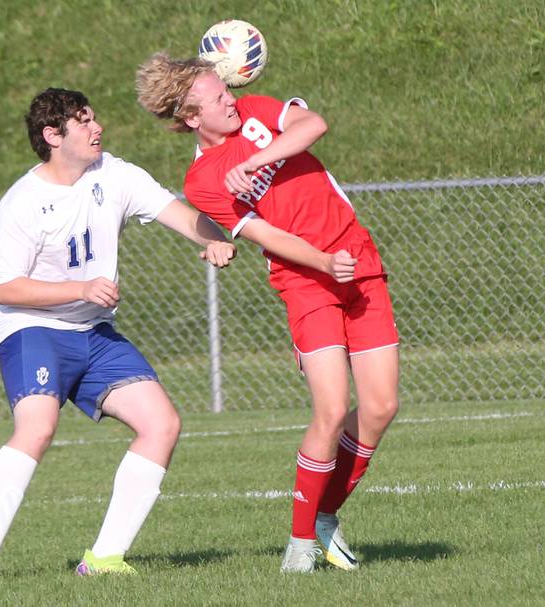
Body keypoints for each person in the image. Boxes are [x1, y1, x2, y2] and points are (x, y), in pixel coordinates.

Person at [0, 87, 236, 583]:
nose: (96, 128)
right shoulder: (22, 202)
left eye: (93, 118)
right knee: (37, 427)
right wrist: (79, 287)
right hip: (31, 329)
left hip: (93, 331)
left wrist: (214, 240)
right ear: (52, 135)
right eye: (83, 122)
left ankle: (104, 559)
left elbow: (180, 214)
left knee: (161, 424)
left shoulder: (116, 174)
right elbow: (6, 289)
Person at [136, 54, 400, 573]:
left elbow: (313, 124)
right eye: (217, 99)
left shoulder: (255, 112)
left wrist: (256, 160)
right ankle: (301, 546)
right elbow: (266, 236)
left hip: (359, 260)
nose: (231, 100)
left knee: (381, 406)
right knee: (331, 409)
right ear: (192, 118)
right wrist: (324, 262)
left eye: (226, 92)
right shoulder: (202, 180)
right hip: (306, 281)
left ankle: (324, 516)